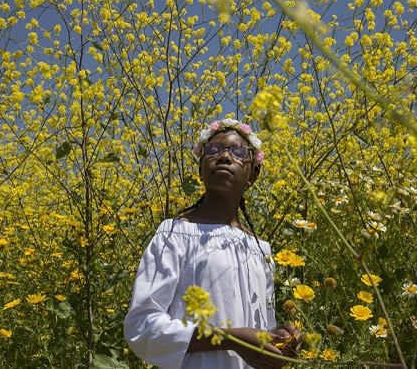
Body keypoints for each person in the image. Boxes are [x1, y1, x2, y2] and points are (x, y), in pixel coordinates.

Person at [124, 119, 302, 369]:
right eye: (213, 150)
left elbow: (259, 330)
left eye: (239, 152)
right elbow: (143, 328)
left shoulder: (261, 250)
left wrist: (279, 339)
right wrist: (230, 339)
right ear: (200, 169)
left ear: (252, 176)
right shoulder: (174, 235)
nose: (224, 157)